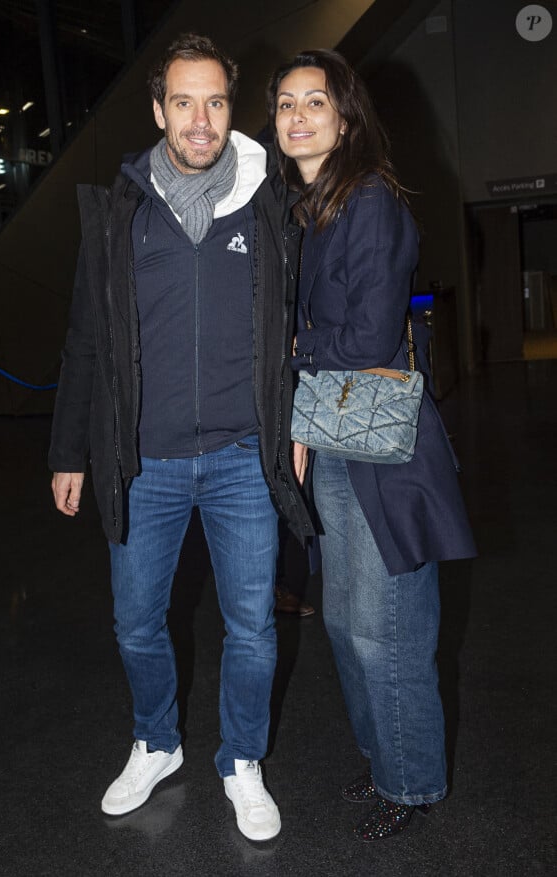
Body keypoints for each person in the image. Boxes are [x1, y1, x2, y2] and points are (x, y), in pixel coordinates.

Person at [49, 33, 313, 843]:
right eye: (184, 102)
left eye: (217, 101)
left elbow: (300, 325)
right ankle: (157, 741)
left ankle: (241, 759)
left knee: (253, 626)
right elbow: (86, 339)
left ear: (233, 110)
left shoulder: (272, 202)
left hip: (242, 456)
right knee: (136, 622)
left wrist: (297, 423)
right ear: (159, 107)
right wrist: (68, 449)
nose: (201, 120)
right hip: (145, 461)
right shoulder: (120, 208)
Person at [267, 49, 476, 841]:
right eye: (285, 103)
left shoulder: (371, 201)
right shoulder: (313, 207)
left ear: (345, 115)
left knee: (391, 627)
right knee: (347, 622)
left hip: (384, 446)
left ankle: (413, 781)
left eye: (314, 102)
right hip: (336, 436)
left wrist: (285, 347)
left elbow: (367, 334)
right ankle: (386, 759)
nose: (297, 116)